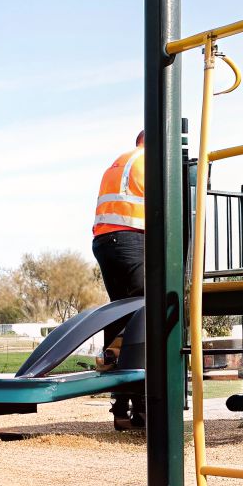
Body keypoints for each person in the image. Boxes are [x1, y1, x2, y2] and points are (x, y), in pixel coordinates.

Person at [91, 130, 145, 378]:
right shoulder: (148, 161)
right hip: (127, 238)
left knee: (121, 307)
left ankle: (113, 363)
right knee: (149, 301)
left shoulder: (121, 161)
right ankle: (133, 363)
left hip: (105, 241)